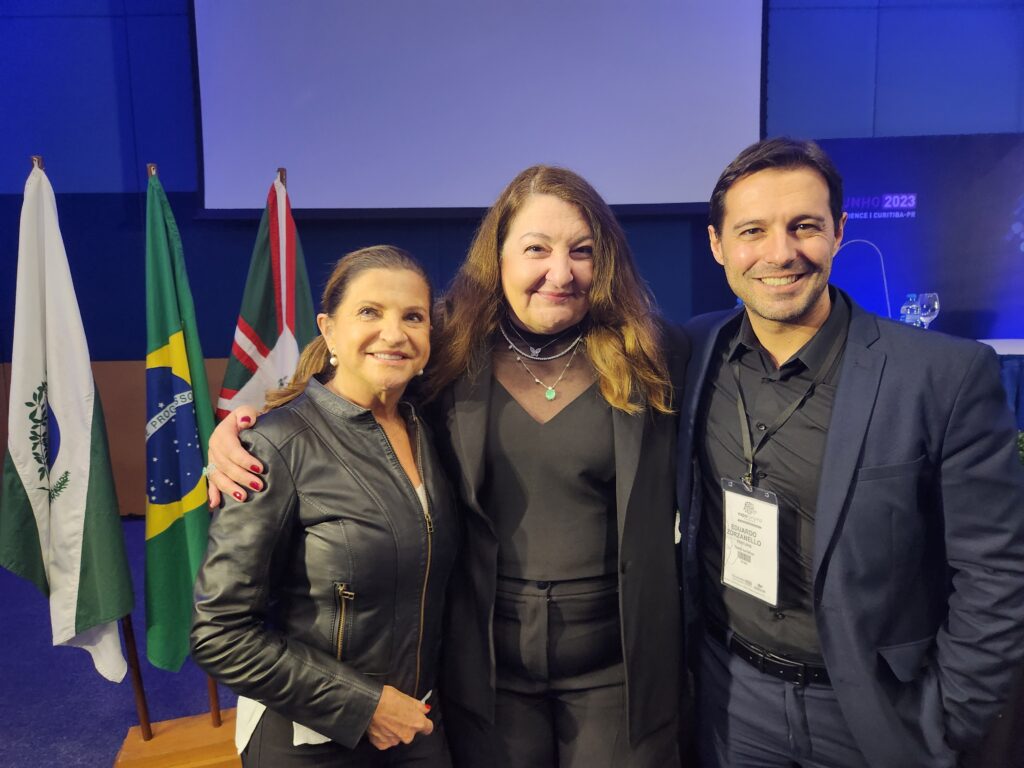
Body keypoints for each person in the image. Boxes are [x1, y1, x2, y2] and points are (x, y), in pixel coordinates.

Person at [207, 166, 690, 768]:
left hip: (618, 668)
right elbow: (351, 383)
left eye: (582, 252)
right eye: (536, 248)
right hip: (484, 670)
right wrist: (248, 424)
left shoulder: (655, 353)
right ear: (500, 257)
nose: (559, 272)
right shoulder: (452, 353)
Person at [677, 137, 1024, 767]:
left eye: (803, 226)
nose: (780, 253)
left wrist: (950, 719)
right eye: (753, 230)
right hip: (730, 700)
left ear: (839, 232)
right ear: (717, 245)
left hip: (875, 713)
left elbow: (997, 571)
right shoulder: (697, 349)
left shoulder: (942, 375)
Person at [191, 246, 459, 767]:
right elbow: (219, 633)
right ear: (329, 329)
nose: (394, 332)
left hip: (418, 729)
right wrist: (365, 706)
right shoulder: (276, 446)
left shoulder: (438, 430)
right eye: (369, 312)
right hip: (309, 742)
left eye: (413, 317)